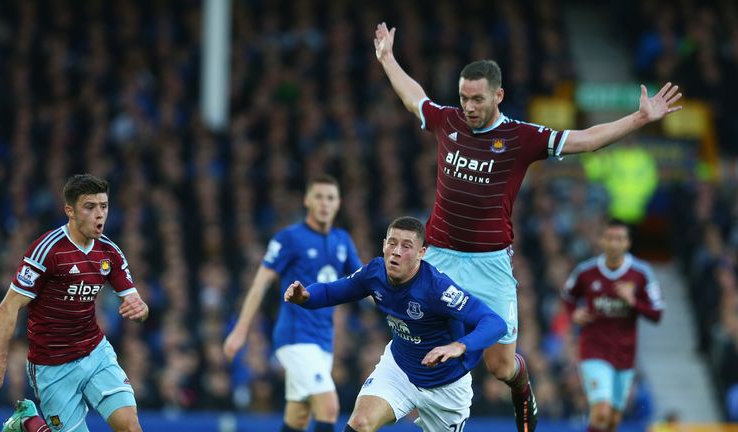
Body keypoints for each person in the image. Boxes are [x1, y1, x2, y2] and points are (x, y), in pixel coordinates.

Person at [373, 21, 682, 432]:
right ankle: (431, 411)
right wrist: (389, 59)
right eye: (464, 98)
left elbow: (586, 140)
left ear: (498, 95)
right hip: (441, 257)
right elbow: (416, 100)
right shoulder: (448, 123)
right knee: (427, 339)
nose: (468, 107)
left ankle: (523, 389)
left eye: (477, 99)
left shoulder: (520, 137)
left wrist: (638, 120)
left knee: (500, 366)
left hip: (490, 264)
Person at [285, 216, 507, 432]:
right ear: (384, 245)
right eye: (392, 243)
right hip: (399, 369)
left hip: (446, 385)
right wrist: (306, 297)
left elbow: (495, 323)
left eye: (407, 246)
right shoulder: (374, 273)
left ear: (422, 252)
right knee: (361, 422)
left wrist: (459, 345)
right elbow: (331, 291)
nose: (397, 251)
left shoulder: (437, 289)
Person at [0, 174, 148, 432]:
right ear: (70, 210)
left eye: (104, 206)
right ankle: (27, 423)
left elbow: (136, 302)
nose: (99, 214)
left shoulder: (109, 252)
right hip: (52, 366)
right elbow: (8, 307)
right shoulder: (47, 251)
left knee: (131, 427)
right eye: (90, 207)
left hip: (95, 353)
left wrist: (141, 309)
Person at [223, 174, 362, 432]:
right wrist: (240, 331)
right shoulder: (289, 238)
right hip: (295, 337)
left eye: (330, 198)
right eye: (318, 197)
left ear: (338, 203)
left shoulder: (343, 240)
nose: (324, 203)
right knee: (329, 406)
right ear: (306, 200)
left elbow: (365, 283)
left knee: (298, 417)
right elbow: (260, 283)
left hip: (323, 341)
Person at [562, 219, 665, 432]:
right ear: (602, 240)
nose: (614, 244)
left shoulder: (641, 272)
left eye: (619, 239)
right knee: (601, 412)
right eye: (609, 238)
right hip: (594, 349)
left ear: (627, 243)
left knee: (612, 421)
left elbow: (657, 313)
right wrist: (575, 313)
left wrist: (633, 301)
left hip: (625, 353)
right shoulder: (586, 271)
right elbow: (568, 296)